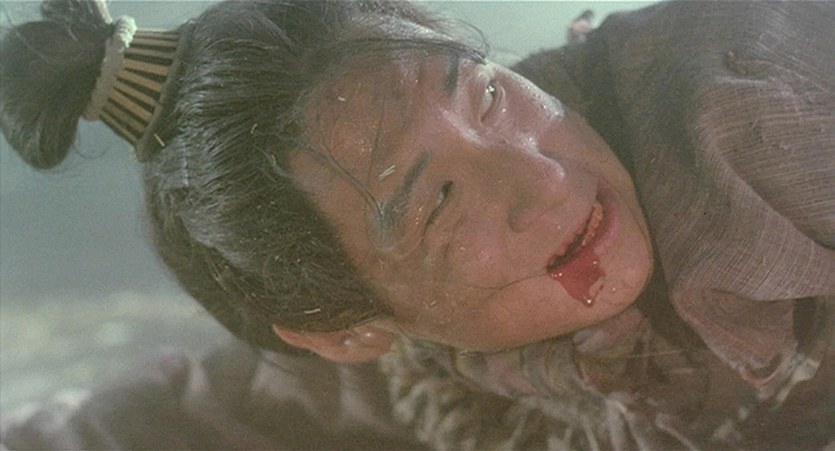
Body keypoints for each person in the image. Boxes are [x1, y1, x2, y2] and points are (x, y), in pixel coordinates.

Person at [1, 0, 833, 449]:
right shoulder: (442, 368)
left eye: (489, 96)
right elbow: (189, 410)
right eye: (438, 201)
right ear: (347, 331)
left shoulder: (758, 108)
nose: (544, 179)